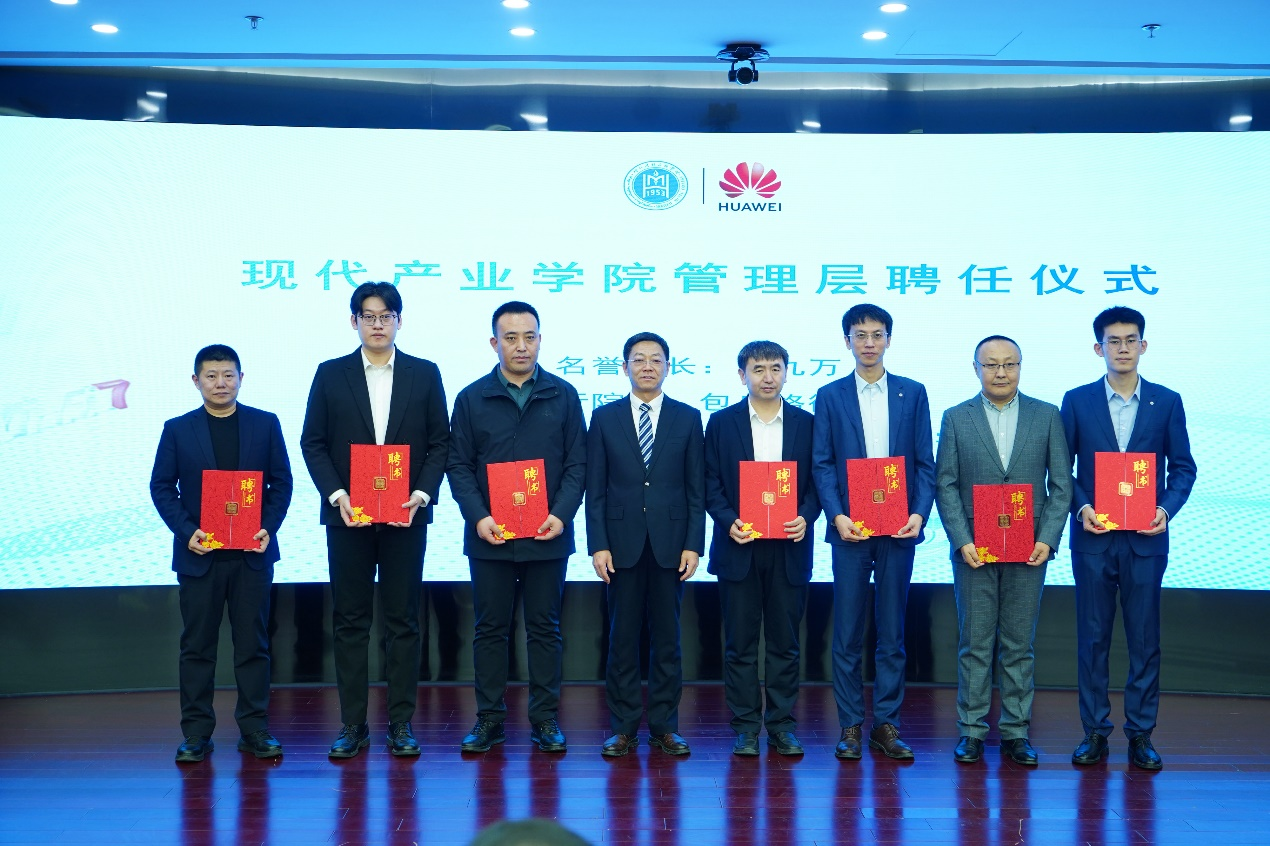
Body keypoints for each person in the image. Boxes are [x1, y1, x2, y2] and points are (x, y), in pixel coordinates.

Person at [300, 281, 450, 758]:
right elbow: (312, 442)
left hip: (406, 515)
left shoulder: (425, 374)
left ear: (399, 321)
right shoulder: (330, 374)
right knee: (350, 621)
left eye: (386, 316)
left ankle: (401, 724)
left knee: (403, 621)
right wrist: (337, 494)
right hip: (349, 517)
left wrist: (421, 493)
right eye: (369, 316)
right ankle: (352, 725)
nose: (378, 324)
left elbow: (441, 441)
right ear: (354, 322)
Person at [447, 301, 587, 753]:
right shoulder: (472, 398)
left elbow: (578, 464)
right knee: (490, 630)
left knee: (545, 629)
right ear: (495, 343)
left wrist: (561, 514)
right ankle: (489, 719)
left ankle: (545, 719)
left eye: (529, 336)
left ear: (540, 340)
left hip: (548, 532)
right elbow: (458, 465)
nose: (521, 346)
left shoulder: (563, 394)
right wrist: (479, 516)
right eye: (511, 338)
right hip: (490, 535)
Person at [1061, 307, 1196, 771]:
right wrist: (1081, 508)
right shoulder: (1077, 401)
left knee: (1144, 639)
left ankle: (1141, 733)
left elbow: (1183, 468)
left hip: (1145, 539)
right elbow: (1061, 469)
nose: (1122, 348)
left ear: (1144, 345)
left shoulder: (1167, 401)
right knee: (1092, 639)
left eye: (1130, 339)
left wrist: (1164, 509)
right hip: (1094, 539)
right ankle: (1094, 732)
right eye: (1113, 341)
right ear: (1098, 348)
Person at [150, 344, 293, 762]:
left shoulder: (265, 424)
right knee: (197, 647)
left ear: (241, 378)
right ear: (196, 381)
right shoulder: (178, 429)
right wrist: (187, 531)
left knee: (253, 646)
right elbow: (162, 486)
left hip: (251, 554)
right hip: (201, 555)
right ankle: (196, 733)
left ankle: (255, 728)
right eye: (211, 376)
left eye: (228, 375)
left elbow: (282, 483)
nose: (220, 383)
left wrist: (268, 526)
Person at [934, 335, 1072, 766]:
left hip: (1029, 547)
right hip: (975, 549)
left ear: (1020, 367)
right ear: (975, 368)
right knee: (975, 642)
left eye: (1009, 364)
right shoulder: (956, 417)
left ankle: (1016, 732)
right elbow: (945, 484)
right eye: (991, 364)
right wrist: (961, 540)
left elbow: (1061, 484)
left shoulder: (1047, 415)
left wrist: (1047, 538)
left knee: (1018, 644)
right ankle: (972, 730)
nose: (1000, 372)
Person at [811, 305, 935, 760]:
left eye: (877, 334)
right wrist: (836, 515)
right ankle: (849, 725)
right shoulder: (830, 395)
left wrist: (919, 514)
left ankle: (886, 724)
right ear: (847, 341)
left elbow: (925, 462)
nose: (869, 342)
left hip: (898, 529)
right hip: (851, 530)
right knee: (846, 631)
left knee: (892, 632)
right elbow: (822, 463)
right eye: (860, 335)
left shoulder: (912, 392)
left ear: (888, 339)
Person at [586, 332, 705, 757]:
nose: (648, 366)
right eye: (639, 359)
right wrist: (598, 544)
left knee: (667, 640)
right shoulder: (604, 418)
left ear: (669, 367)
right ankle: (622, 728)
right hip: (621, 545)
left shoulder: (688, 418)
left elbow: (696, 488)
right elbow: (595, 488)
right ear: (624, 368)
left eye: (656, 359)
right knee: (622, 639)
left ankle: (665, 726)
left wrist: (694, 544)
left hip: (671, 545)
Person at [704, 340, 820, 757]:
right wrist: (727, 521)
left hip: (789, 546)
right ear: (742, 375)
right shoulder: (721, 423)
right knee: (739, 644)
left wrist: (807, 515)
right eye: (758, 369)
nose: (768, 377)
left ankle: (783, 726)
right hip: (740, 546)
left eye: (775, 368)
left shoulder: (807, 423)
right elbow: (709, 481)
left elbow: (819, 481)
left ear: (787, 372)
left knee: (785, 643)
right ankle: (746, 727)